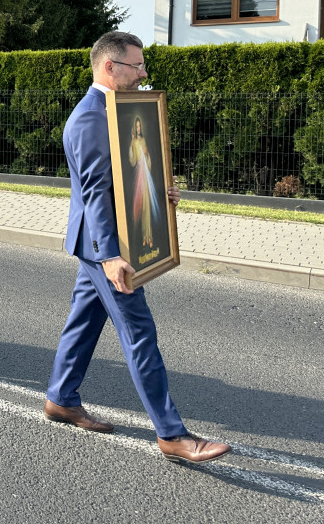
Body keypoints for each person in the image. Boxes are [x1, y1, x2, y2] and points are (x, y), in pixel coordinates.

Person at [44, 31, 231, 464]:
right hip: (103, 246)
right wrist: (111, 256)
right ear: (111, 67)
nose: (144, 72)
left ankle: (60, 397)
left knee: (84, 321)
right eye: (137, 65)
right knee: (140, 333)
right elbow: (95, 194)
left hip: (98, 243)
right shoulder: (92, 117)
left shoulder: (115, 110)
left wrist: (158, 191)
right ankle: (172, 435)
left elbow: (125, 178)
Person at [129, 116, 159, 248]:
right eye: (136, 126)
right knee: (140, 207)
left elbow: (149, 161)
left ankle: (149, 237)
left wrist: (147, 154)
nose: (138, 128)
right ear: (133, 128)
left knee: (147, 206)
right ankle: (143, 237)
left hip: (146, 176)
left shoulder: (144, 140)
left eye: (140, 126)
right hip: (139, 175)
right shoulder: (134, 142)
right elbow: (133, 161)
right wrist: (131, 145)